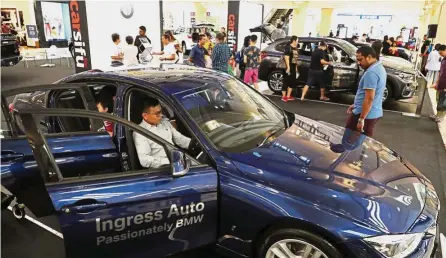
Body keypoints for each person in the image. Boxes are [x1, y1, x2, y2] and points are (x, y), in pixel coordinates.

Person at [133, 97, 191, 169]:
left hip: (178, 160)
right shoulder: (140, 133)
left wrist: (193, 144)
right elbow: (145, 160)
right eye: (157, 114)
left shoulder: (165, 122)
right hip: (162, 169)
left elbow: (179, 139)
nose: (161, 116)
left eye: (161, 112)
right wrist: (170, 161)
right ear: (145, 116)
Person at [346, 46, 386, 137]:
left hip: (364, 114)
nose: (359, 63)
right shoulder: (379, 67)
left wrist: (361, 119)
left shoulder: (371, 73)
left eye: (360, 60)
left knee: (350, 140)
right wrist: (356, 104)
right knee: (360, 141)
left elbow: (369, 98)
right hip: (373, 112)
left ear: (369, 57)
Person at [431, 45, 446, 123]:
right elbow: (441, 71)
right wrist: (436, 82)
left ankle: (441, 117)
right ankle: (437, 114)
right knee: (438, 100)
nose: (440, 55)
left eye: (441, 53)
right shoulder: (443, 60)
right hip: (441, 83)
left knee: (443, 102)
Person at [281, 36, 299, 102]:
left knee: (292, 82)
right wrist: (288, 67)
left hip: (293, 67)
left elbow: (296, 59)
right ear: (294, 41)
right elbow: (286, 58)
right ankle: (283, 96)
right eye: (297, 40)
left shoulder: (296, 48)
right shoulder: (288, 47)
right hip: (288, 67)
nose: (297, 42)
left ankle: (288, 96)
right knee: (286, 81)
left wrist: (296, 68)